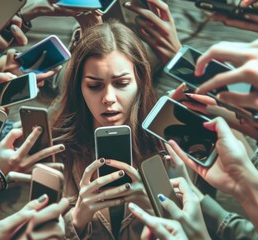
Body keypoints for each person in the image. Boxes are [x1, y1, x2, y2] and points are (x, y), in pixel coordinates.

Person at [50, 21, 162, 239]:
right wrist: (77, 220)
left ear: (140, 82)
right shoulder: (57, 151)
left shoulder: (166, 149)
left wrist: (156, 212)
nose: (108, 99)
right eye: (94, 85)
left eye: (121, 84)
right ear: (79, 87)